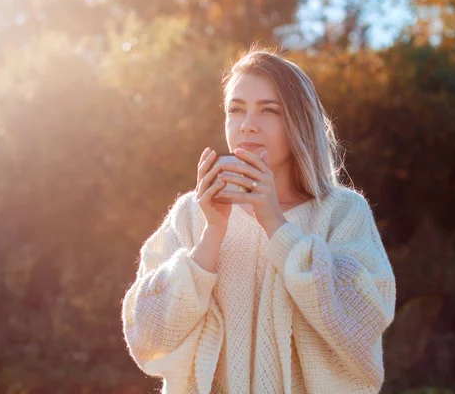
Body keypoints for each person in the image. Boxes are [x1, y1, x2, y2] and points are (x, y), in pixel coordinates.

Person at [121, 47, 397, 394]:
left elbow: (363, 321)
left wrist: (275, 224)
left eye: (269, 110)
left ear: (299, 121)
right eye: (236, 110)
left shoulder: (343, 212)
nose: (248, 125)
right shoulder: (193, 213)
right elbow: (147, 335)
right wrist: (211, 236)